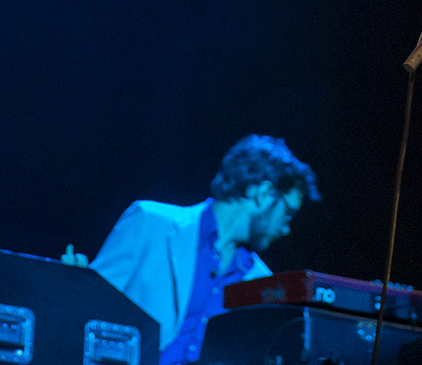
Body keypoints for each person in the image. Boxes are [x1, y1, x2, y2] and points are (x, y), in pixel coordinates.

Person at [91, 135, 320, 365]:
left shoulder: (262, 282)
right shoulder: (150, 223)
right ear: (264, 194)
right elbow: (89, 306)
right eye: (288, 213)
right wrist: (76, 279)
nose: (286, 229)